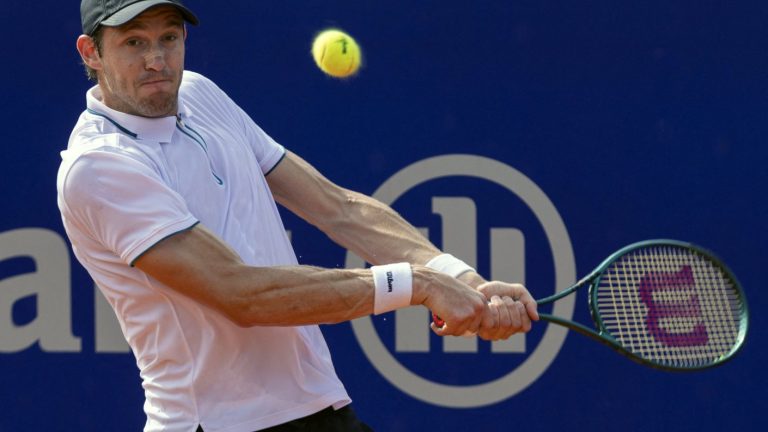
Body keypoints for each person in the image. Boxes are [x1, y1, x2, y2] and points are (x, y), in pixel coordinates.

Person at [58, 1, 539, 431]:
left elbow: (337, 208)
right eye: (134, 42)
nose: (157, 61)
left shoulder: (200, 95)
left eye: (169, 37)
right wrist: (419, 284)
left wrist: (459, 276)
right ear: (90, 52)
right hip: (218, 424)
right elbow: (239, 293)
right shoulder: (100, 166)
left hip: (316, 408)